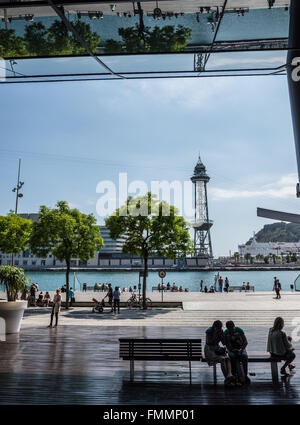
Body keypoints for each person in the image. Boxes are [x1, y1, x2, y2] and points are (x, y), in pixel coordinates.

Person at [204, 320, 234, 386]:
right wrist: (214, 334)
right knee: (223, 359)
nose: (219, 329)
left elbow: (223, 343)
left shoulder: (220, 331)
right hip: (210, 350)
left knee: (228, 358)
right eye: (218, 328)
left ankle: (229, 374)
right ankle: (227, 379)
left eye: (220, 328)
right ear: (214, 326)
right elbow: (209, 342)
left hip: (217, 349)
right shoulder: (209, 331)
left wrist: (223, 336)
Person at [224, 321, 251, 385]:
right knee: (232, 357)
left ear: (234, 326)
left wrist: (241, 350)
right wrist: (233, 350)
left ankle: (245, 374)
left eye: (232, 328)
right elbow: (227, 345)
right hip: (231, 349)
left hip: (241, 348)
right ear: (227, 328)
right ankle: (234, 375)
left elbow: (245, 342)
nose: (231, 330)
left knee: (244, 356)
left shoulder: (239, 330)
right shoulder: (226, 332)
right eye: (229, 329)